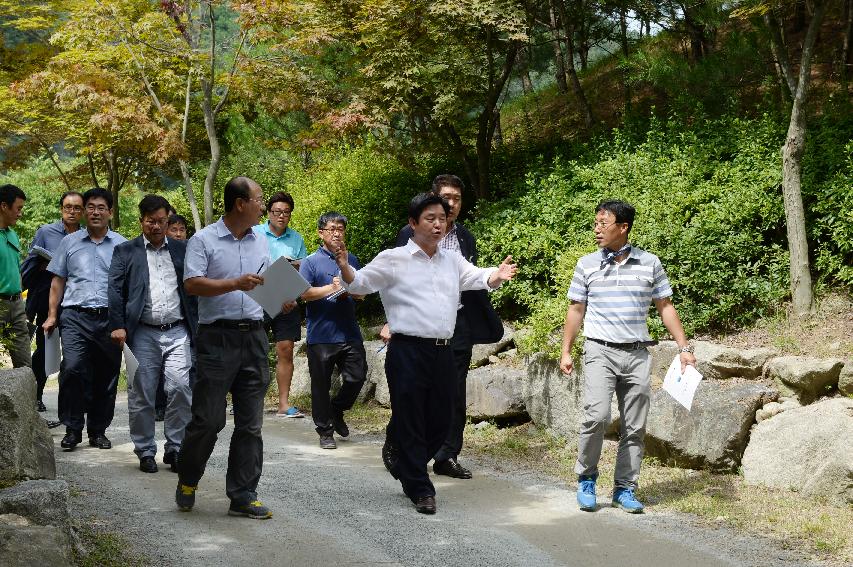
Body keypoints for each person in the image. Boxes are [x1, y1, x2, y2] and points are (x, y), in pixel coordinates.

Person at [335, 193, 517, 514]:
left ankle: (403, 455)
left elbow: (477, 276)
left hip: (443, 351)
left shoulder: (452, 260)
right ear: (413, 223)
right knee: (412, 416)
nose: (438, 224)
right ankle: (420, 487)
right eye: (430, 218)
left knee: (443, 418)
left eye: (442, 219)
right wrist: (346, 268)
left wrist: (496, 276)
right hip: (407, 350)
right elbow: (359, 284)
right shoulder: (393, 258)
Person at [559, 200, 697, 514]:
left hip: (637, 353)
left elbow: (665, 307)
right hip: (599, 349)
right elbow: (576, 309)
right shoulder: (586, 264)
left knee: (635, 425)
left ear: (623, 227)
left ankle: (625, 488)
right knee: (596, 416)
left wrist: (684, 348)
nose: (596, 229)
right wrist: (566, 351)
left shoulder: (650, 263)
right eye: (595, 222)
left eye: (602, 223)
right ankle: (587, 479)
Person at [381, 174, 503, 480]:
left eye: (458, 199)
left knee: (453, 393)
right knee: (414, 393)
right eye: (446, 197)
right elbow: (395, 280)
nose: (452, 204)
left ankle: (447, 455)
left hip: (455, 324)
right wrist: (390, 322)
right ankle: (400, 441)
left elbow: (473, 277)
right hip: (416, 327)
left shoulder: (465, 238)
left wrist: (494, 277)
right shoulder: (408, 236)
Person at [175, 176, 279, 520]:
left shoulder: (261, 240)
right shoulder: (203, 240)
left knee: (251, 424)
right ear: (240, 203)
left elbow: (262, 285)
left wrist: (280, 299)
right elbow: (192, 285)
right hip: (216, 339)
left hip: (254, 336)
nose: (263, 206)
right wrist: (234, 283)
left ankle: (243, 494)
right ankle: (189, 478)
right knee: (209, 420)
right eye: (259, 199)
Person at [108, 195, 198, 474]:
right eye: (151, 222)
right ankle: (145, 450)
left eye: (161, 221)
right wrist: (118, 324)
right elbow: (114, 291)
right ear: (142, 222)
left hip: (178, 329)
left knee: (181, 388)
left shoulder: (183, 249)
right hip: (142, 332)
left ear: (167, 221)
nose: (156, 227)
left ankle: (176, 447)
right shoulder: (126, 251)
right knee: (142, 394)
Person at [43, 188, 127, 452]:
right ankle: (72, 429)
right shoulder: (69, 243)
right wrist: (52, 315)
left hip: (109, 319)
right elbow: (58, 280)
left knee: (107, 374)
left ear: (110, 212)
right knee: (73, 369)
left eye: (101, 207)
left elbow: (129, 286)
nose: (95, 212)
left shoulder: (122, 245)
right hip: (75, 316)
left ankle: (98, 431)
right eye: (90, 207)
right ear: (84, 211)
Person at [298, 212, 365, 450]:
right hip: (322, 335)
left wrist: (353, 291)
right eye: (332, 229)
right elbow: (304, 293)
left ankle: (337, 410)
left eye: (341, 229)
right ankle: (325, 431)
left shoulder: (351, 258)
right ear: (321, 233)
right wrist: (331, 288)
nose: (337, 233)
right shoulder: (310, 261)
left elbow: (362, 291)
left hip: (349, 331)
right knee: (320, 386)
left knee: (358, 376)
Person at [21, 191, 83, 413]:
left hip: (76, 301)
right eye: (68, 207)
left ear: (83, 211)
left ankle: (71, 402)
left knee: (74, 355)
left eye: (77, 208)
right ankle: (36, 396)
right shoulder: (46, 232)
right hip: (46, 300)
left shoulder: (86, 236)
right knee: (45, 351)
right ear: (61, 209)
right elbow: (30, 263)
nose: (72, 211)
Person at [253, 192, 307, 418]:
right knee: (253, 351)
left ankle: (283, 404)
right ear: (268, 213)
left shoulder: (297, 239)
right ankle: (248, 401)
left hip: (286, 300)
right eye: (277, 212)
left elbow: (303, 270)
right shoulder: (253, 233)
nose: (281, 216)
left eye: (286, 212)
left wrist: (294, 294)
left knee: (285, 349)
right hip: (257, 298)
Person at [0, 184, 32, 370]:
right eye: (18, 208)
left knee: (25, 365)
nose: (20, 213)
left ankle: (27, 399)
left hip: (17, 305)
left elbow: (16, 268)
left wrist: (20, 296)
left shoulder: (13, 235)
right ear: (4, 206)